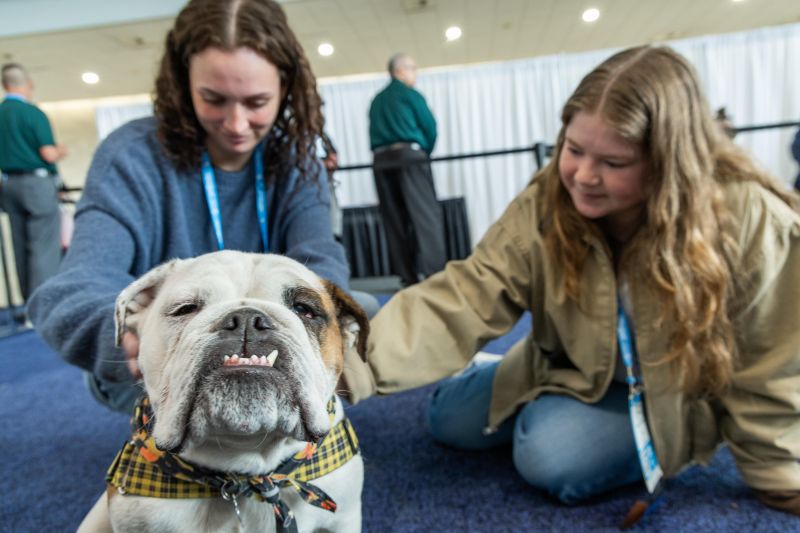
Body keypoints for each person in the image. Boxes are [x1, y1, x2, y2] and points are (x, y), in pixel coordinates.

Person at [344, 46, 800, 518]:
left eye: (613, 163)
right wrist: (340, 364)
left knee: (549, 454)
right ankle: (514, 380)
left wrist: (777, 471)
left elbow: (771, 359)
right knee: (447, 420)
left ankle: (541, 403)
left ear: (669, 163)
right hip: (567, 362)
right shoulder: (548, 197)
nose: (583, 176)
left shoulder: (748, 216)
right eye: (573, 149)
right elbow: (467, 293)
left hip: (669, 392)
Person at [28, 0, 376, 415]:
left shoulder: (298, 163)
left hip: (278, 353)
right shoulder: (129, 156)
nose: (236, 123)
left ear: (286, 89)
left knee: (364, 309)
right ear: (182, 84)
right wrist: (124, 336)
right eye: (214, 99)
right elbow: (75, 286)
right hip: (159, 356)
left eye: (256, 102)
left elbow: (321, 262)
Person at [369, 53, 446, 286]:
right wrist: (424, 153)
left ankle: (407, 276)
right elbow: (430, 127)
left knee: (394, 218)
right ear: (399, 71)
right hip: (410, 156)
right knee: (425, 215)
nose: (416, 73)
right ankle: (435, 273)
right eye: (413, 68)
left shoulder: (377, 100)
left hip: (381, 159)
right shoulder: (410, 95)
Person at [0, 63, 68, 302]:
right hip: (36, 184)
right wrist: (61, 150)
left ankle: (28, 301)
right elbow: (48, 154)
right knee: (43, 245)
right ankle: (43, 305)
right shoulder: (32, 113)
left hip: (7, 185)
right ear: (27, 84)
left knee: (20, 244)